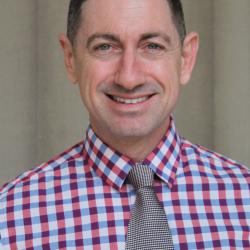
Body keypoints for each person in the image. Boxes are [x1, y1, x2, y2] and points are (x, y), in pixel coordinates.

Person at [0, 0, 250, 249]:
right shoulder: (9, 219)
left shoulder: (245, 200)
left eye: (152, 46)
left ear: (186, 58)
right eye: (105, 47)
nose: (129, 78)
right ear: (70, 58)